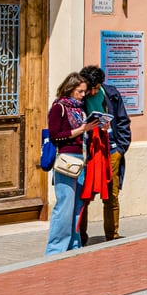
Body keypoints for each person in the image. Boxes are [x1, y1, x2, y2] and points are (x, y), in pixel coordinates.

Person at [78, 64, 131, 242]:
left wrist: (121, 149)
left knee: (111, 195)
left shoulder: (111, 93)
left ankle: (112, 236)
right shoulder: (79, 97)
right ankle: (81, 237)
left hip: (112, 149)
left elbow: (123, 120)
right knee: (84, 195)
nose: (93, 92)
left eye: (96, 88)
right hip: (89, 151)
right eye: (90, 89)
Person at [44, 73, 89, 256]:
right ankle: (56, 249)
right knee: (65, 205)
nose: (83, 95)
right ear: (70, 89)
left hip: (81, 158)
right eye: (80, 91)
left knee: (78, 206)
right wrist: (81, 129)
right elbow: (55, 134)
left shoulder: (79, 109)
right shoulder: (59, 108)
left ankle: (74, 245)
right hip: (66, 159)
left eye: (84, 92)